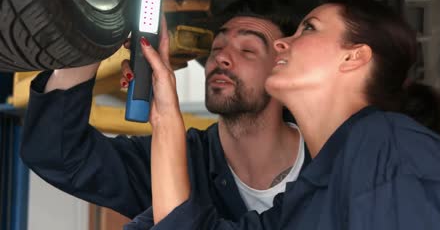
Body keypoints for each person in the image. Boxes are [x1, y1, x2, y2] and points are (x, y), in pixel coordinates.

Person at [129, 0, 440, 229]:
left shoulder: (390, 149)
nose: (281, 43)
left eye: (308, 28)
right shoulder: (308, 194)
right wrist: (164, 113)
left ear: (353, 57)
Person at [20, 13, 309, 224]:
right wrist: (97, 37)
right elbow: (56, 153)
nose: (221, 58)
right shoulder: (177, 162)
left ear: (281, 70)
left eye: (247, 50)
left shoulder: (330, 159)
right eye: (217, 49)